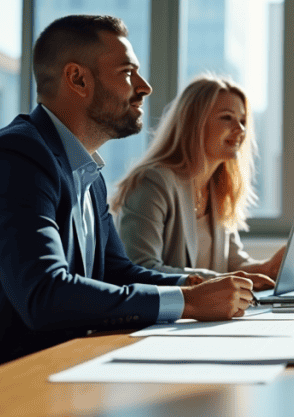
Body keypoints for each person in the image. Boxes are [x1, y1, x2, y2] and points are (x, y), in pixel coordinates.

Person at [0, 15, 257, 390]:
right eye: (128, 72)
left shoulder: (86, 172)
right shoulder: (15, 159)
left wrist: (191, 282)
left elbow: (117, 272)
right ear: (78, 79)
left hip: (58, 372)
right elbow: (45, 294)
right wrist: (187, 301)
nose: (145, 87)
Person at [111, 74, 284, 283]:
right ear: (195, 123)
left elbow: (235, 264)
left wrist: (269, 268)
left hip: (212, 315)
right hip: (167, 315)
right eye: (227, 117)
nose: (241, 130)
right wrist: (220, 281)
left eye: (243, 120)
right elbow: (141, 268)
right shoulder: (153, 182)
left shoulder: (218, 187)